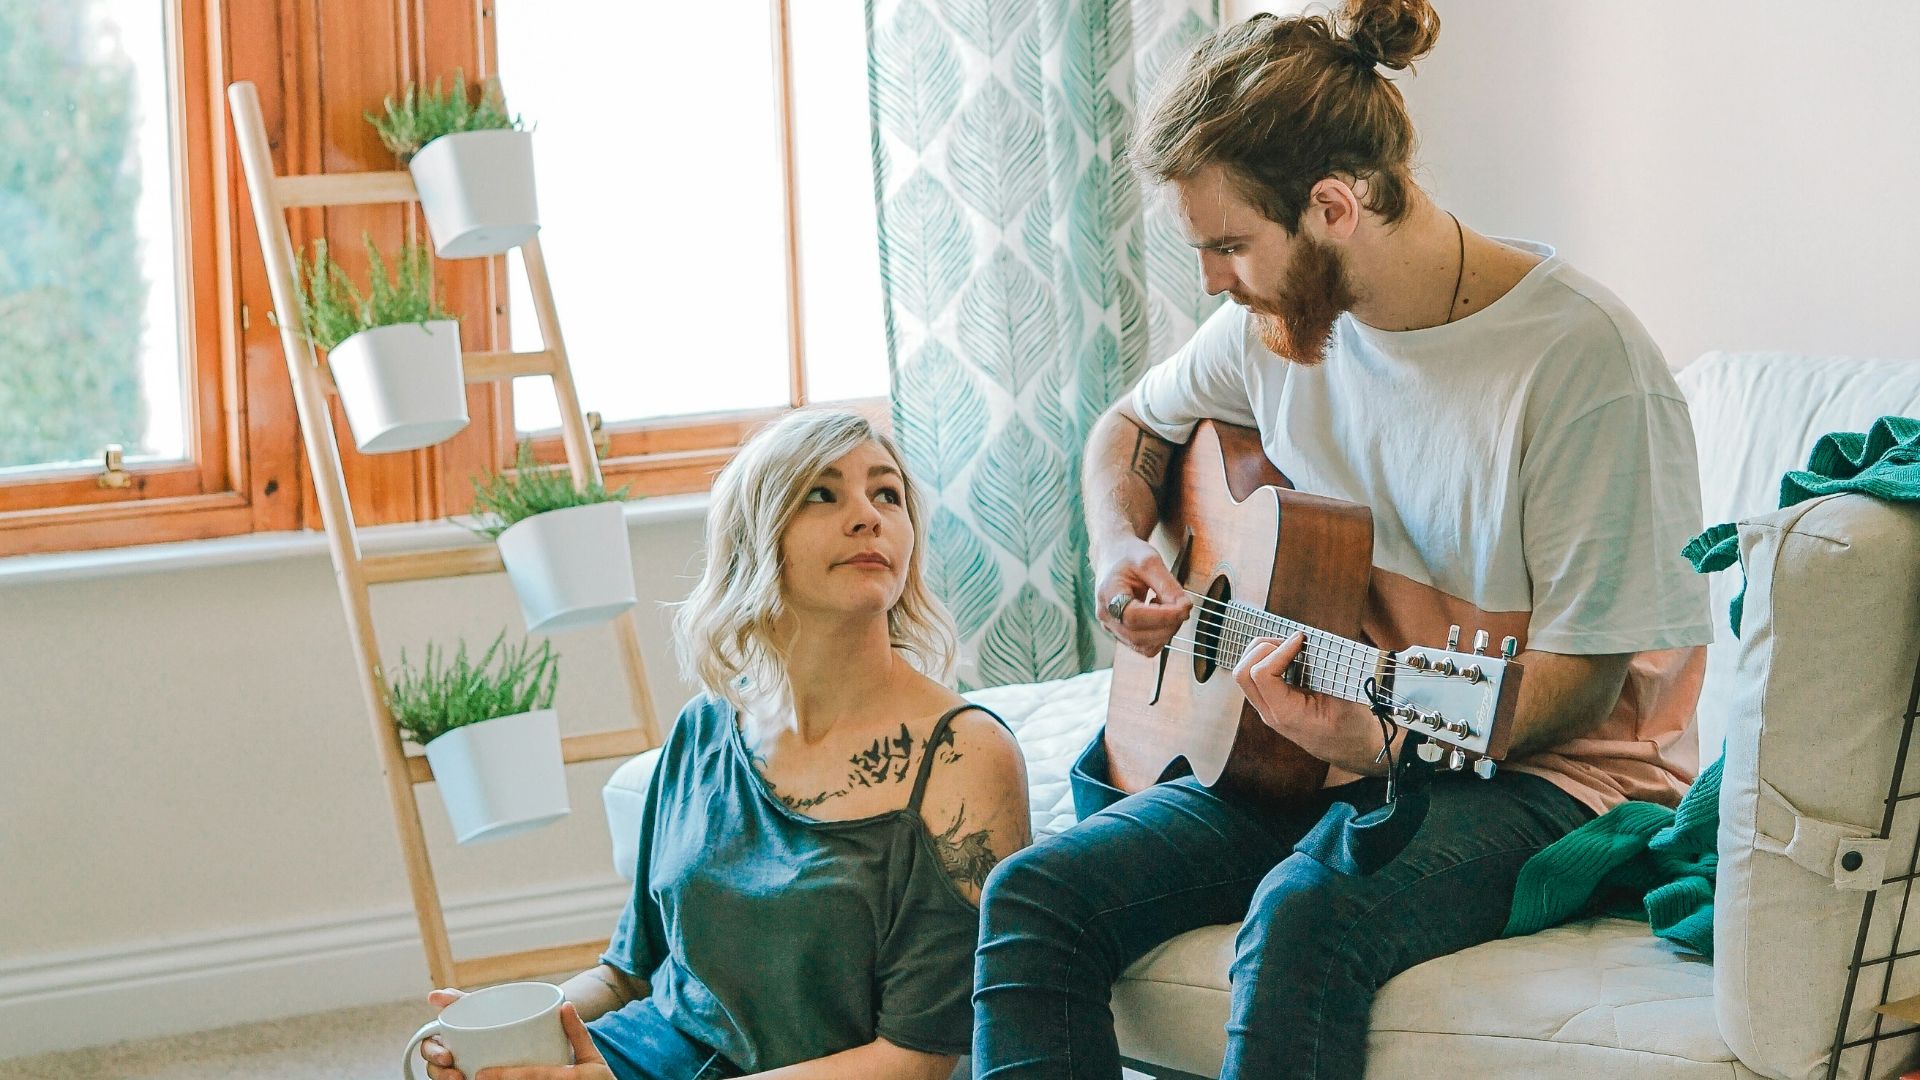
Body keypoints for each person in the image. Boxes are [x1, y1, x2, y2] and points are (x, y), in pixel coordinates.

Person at [970, 3, 1714, 1078]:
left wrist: (1385, 739)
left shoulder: (1583, 367)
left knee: (1307, 912)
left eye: (1229, 245)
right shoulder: (1276, 330)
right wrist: (1115, 547)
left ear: (1333, 207)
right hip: (1330, 745)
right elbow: (1128, 431)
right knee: (1035, 894)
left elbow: (1579, 690)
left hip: (1554, 780)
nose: (1212, 280)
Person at [420, 409, 1031, 1080]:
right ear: (754, 538)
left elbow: (916, 1059)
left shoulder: (964, 757)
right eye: (822, 494)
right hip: (649, 1052)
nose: (868, 516)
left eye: (887, 493)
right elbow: (627, 975)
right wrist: (509, 1040)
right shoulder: (705, 727)